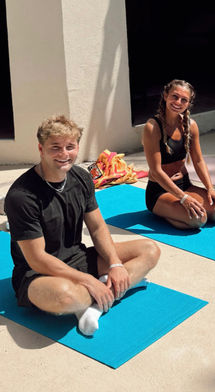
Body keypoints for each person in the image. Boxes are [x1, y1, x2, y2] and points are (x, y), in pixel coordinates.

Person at [5, 115, 160, 336]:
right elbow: (37, 259)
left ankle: (94, 305)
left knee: (150, 250)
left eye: (70, 146)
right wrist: (87, 280)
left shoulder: (81, 178)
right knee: (66, 296)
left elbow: (97, 228)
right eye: (55, 147)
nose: (64, 154)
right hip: (38, 275)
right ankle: (108, 290)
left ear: (78, 147)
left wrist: (115, 265)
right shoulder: (22, 196)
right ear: (41, 148)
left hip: (78, 258)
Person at [143, 79, 215, 229]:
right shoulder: (152, 127)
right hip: (159, 191)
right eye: (174, 96)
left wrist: (210, 188)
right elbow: (156, 171)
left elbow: (199, 161)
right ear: (165, 95)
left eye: (184, 100)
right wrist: (183, 198)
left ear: (188, 103)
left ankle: (179, 210)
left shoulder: (190, 125)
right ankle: (163, 212)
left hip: (184, 184)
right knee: (198, 219)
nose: (178, 102)